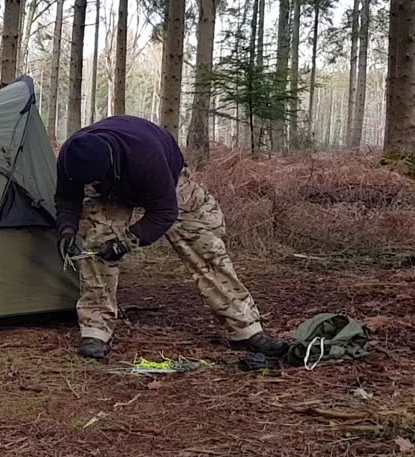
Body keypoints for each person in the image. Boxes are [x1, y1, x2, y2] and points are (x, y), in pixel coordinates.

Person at [55, 115, 290, 360]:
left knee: (204, 247)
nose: (90, 185)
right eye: (86, 183)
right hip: (112, 191)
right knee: (96, 243)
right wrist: (67, 230)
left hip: (169, 183)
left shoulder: (145, 155)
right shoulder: (72, 156)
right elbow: (66, 198)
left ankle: (245, 328)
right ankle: (95, 330)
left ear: (109, 164)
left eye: (93, 181)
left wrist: (126, 242)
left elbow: (165, 212)